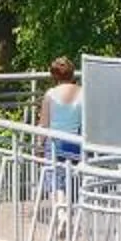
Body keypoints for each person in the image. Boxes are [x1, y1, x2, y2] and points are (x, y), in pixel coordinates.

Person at [40, 58, 84, 193]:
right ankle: (73, 209)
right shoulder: (83, 92)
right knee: (74, 180)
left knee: (55, 181)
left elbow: (44, 125)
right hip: (76, 142)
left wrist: (39, 146)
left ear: (54, 75)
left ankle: (60, 210)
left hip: (55, 143)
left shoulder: (50, 94)